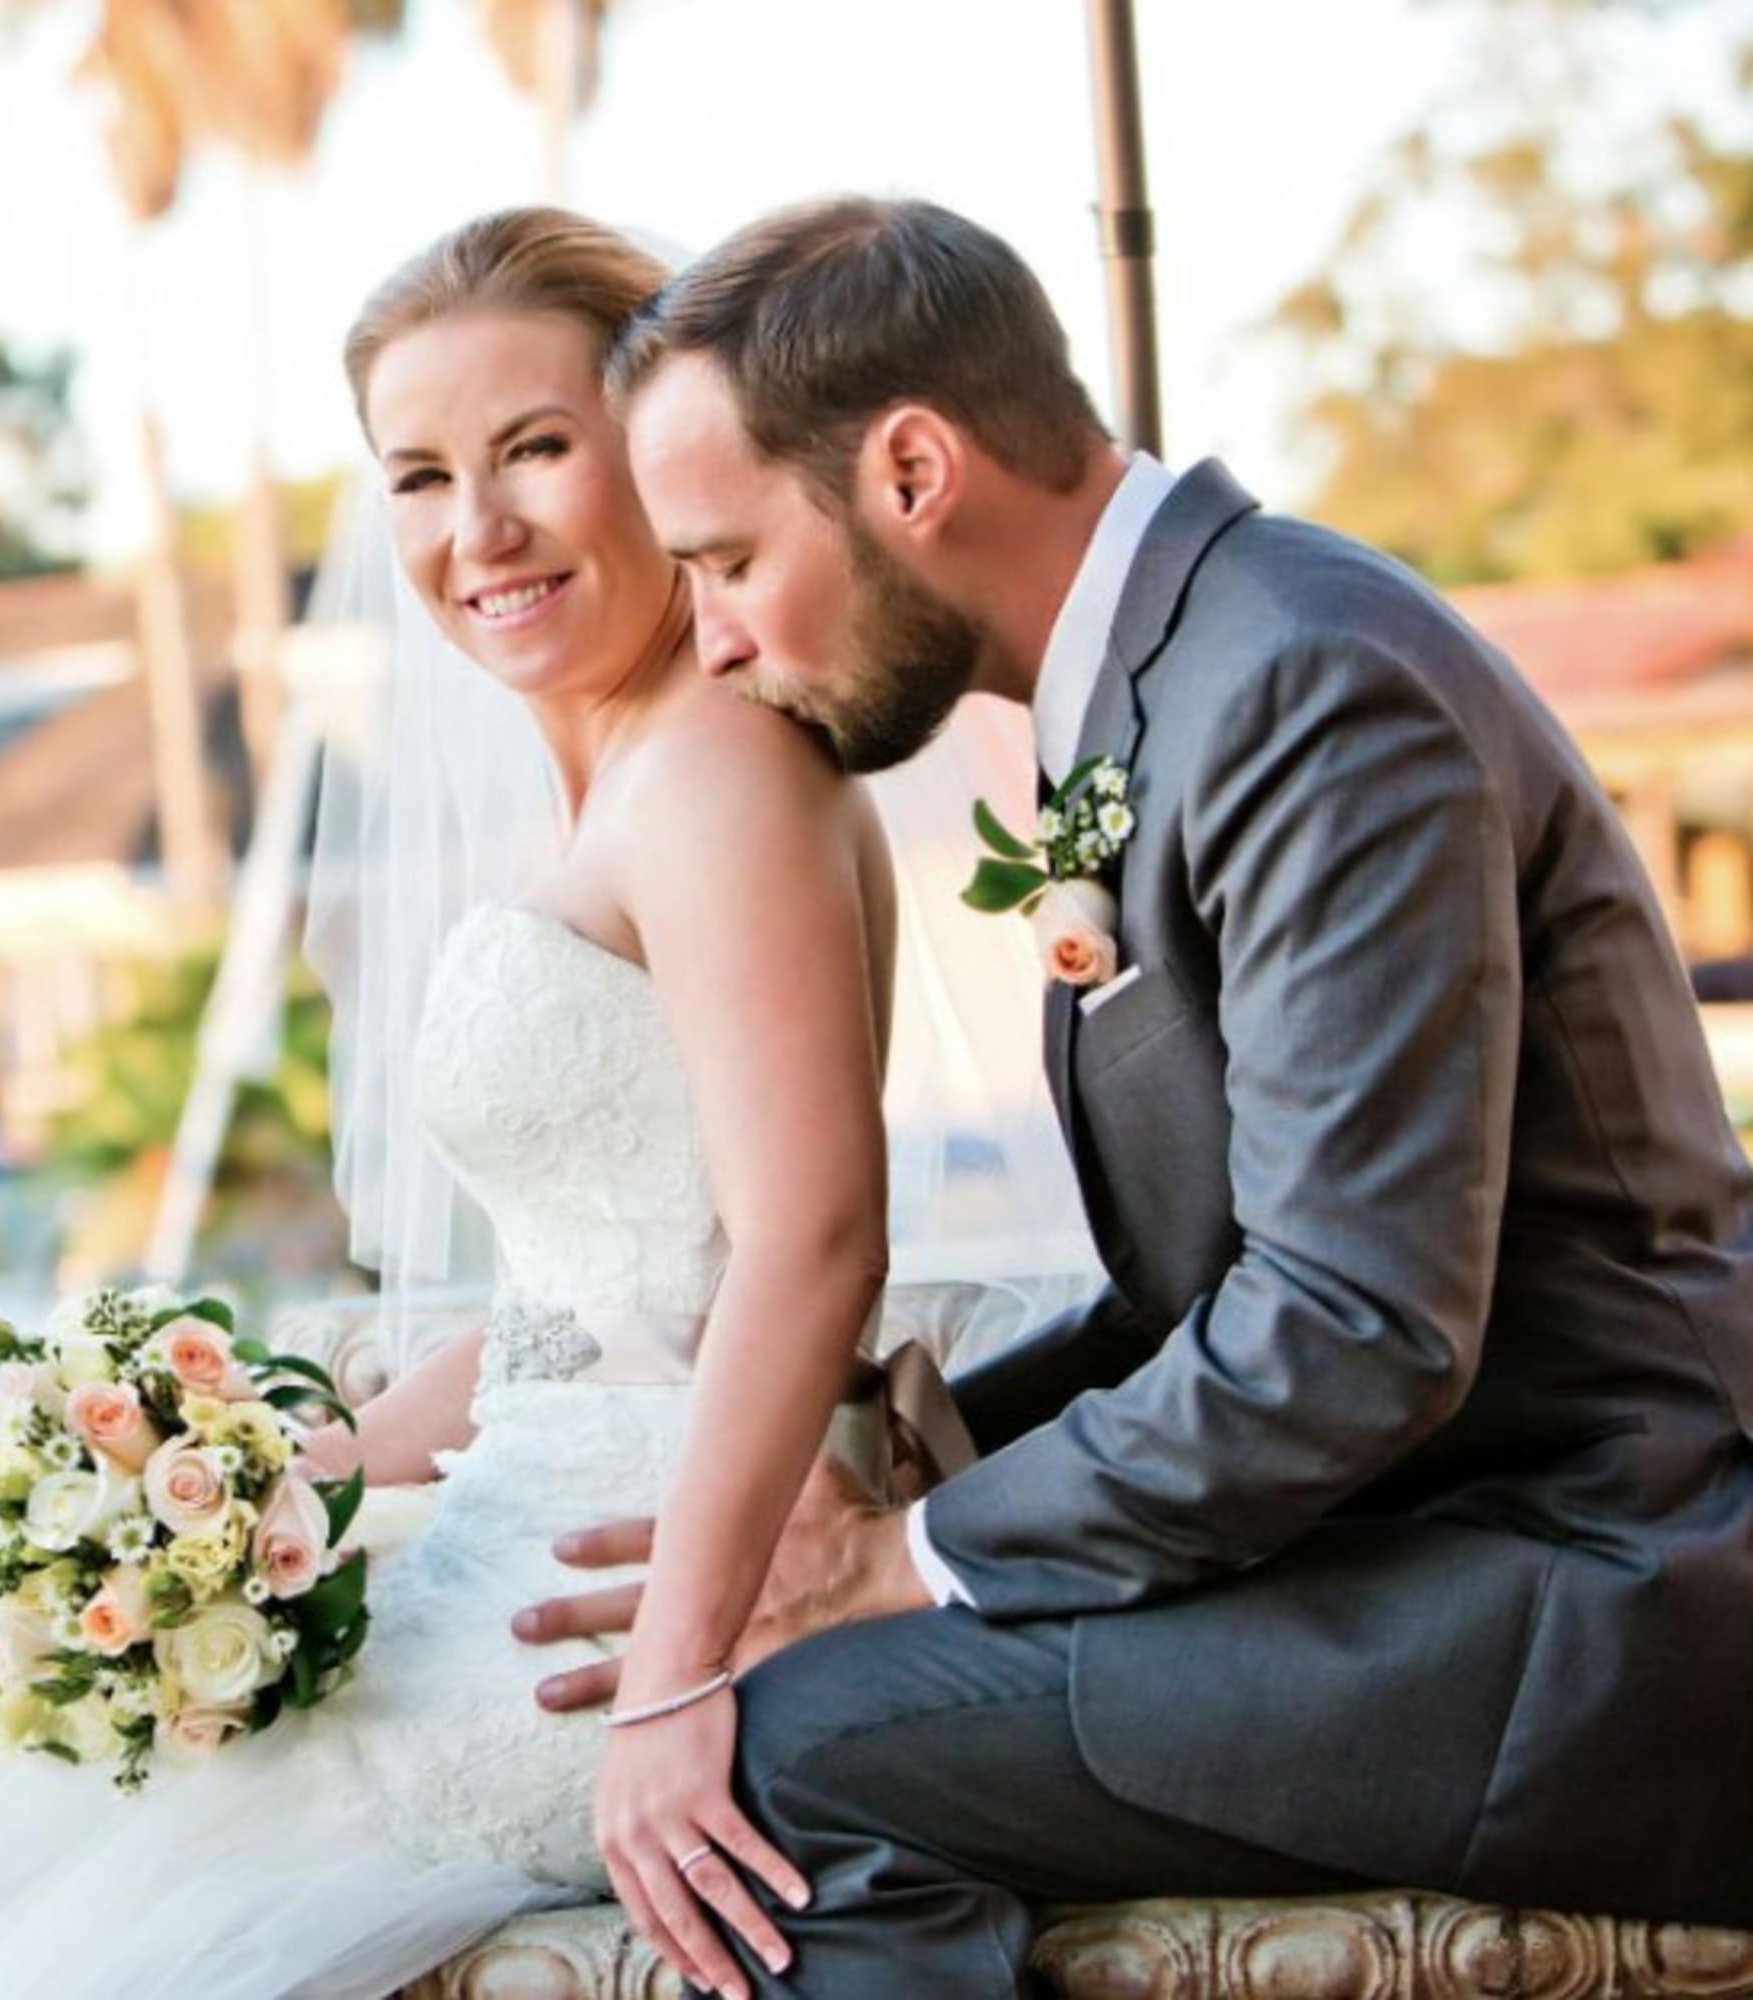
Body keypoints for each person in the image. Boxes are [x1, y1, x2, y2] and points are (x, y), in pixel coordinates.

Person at [515, 196, 1753, 1996]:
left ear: (913, 469)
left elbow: (1350, 1329)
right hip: (1443, 1552)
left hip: (1589, 1597)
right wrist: (949, 1446)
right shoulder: (1178, 682)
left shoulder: (1306, 689)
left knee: (783, 1765)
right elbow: (1222, 1281)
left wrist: (906, 1560)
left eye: (721, 561)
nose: (707, 640)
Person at [0, 208, 977, 2000]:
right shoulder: (626, 788)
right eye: (418, 475)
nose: (475, 531)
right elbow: (597, 1295)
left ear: (655, 452)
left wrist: (681, 1670)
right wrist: (269, 1477)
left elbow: (811, 1244)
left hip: (625, 1598)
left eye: (536, 451)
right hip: (532, 1522)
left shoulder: (720, 768)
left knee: (2, 1866)